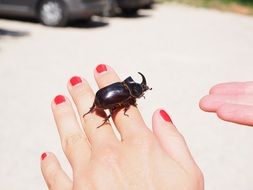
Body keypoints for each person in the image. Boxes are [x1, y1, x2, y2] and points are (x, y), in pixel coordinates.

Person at [40, 64, 204, 190]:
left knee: (114, 106)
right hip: (103, 101)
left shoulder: (123, 87)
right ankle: (96, 114)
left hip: (101, 98)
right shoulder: (127, 95)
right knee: (117, 107)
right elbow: (122, 105)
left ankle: (93, 112)